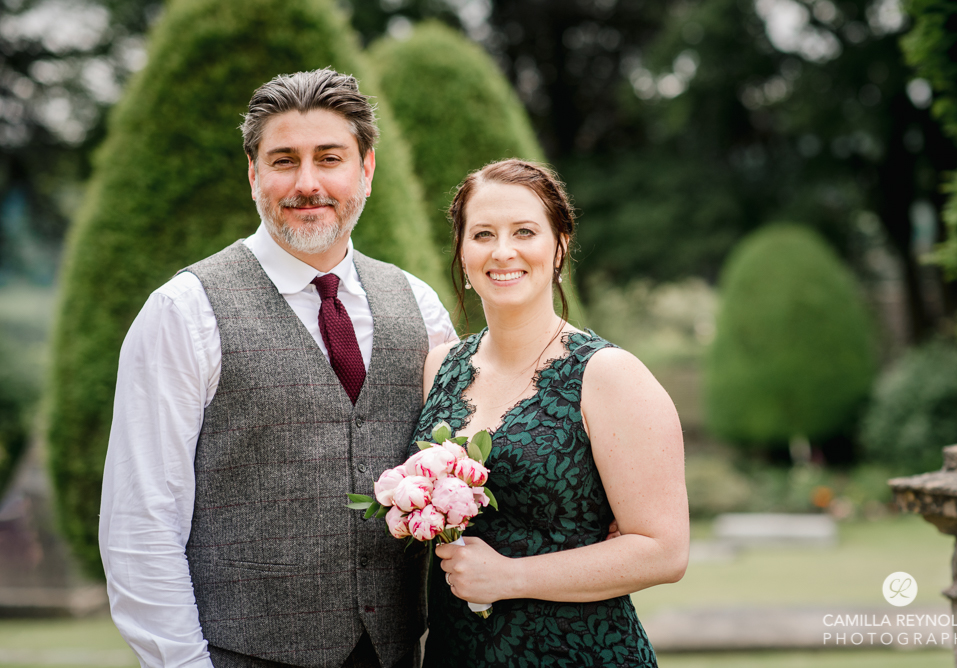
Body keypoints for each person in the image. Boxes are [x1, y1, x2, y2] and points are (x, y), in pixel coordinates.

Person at [98, 68, 456, 668]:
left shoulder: (418, 306)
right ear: (254, 174)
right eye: (284, 160)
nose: (307, 183)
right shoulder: (184, 312)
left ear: (366, 170)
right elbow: (141, 523)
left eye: (330, 158)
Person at [411, 159, 689, 666]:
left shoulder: (608, 375)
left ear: (559, 246)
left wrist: (510, 577)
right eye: (482, 234)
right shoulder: (440, 368)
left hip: (578, 652)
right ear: (462, 252)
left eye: (524, 232)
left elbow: (665, 550)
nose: (502, 251)